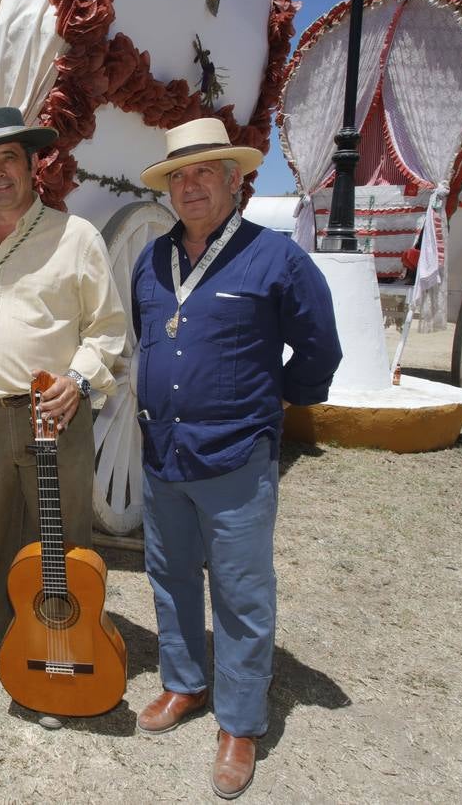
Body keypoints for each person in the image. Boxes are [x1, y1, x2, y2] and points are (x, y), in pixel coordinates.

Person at [130, 118, 342, 799]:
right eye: (178, 176)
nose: (190, 186)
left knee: (242, 595)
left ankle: (241, 722)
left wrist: (276, 410)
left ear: (234, 181)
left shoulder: (276, 259)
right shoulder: (150, 260)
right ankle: (184, 683)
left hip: (236, 459)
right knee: (170, 578)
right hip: (163, 454)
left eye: (204, 173)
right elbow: (149, 337)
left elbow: (319, 349)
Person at [0, 107, 127, 679]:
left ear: (33, 164)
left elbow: (108, 327)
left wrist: (80, 382)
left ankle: (61, 641)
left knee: (63, 535)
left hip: (54, 413)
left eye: (8, 159)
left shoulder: (75, 237)